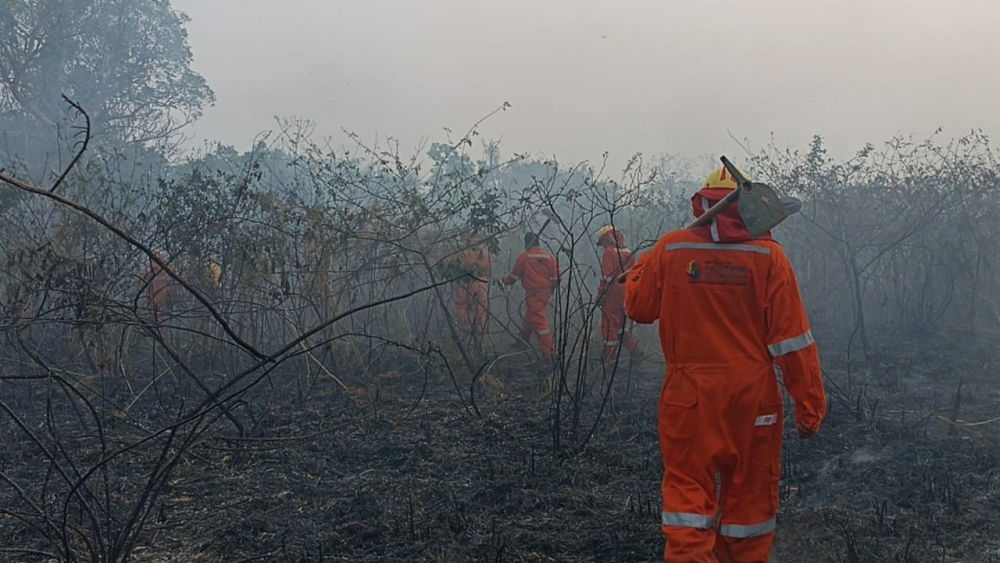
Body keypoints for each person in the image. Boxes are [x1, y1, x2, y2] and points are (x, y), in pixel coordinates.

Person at [624, 165, 827, 562]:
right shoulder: (771, 257)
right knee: (749, 509)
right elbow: (792, 343)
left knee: (688, 501)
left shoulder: (672, 248)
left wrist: (641, 269)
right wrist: (809, 407)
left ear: (705, 201)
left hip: (689, 398)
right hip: (754, 401)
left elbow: (639, 308)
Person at [503, 232, 561, 362]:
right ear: (538, 243)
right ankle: (522, 341)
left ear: (526, 243)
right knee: (530, 317)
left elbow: (513, 277)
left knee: (540, 324)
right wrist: (551, 288)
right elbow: (557, 277)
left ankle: (549, 352)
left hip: (533, 294)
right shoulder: (550, 257)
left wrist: (505, 280)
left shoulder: (524, 257)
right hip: (547, 294)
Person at [595, 226, 641, 365]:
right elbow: (635, 275)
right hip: (627, 293)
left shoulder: (609, 253)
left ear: (606, 239)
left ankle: (609, 361)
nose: (602, 246)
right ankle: (636, 351)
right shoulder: (629, 253)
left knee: (609, 327)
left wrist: (600, 296)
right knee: (622, 327)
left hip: (613, 294)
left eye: (602, 242)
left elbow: (607, 278)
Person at [453, 235, 492, 346]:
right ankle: (479, 343)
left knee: (463, 309)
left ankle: (468, 341)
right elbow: (490, 270)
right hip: (481, 285)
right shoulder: (485, 254)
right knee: (480, 314)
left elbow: (456, 270)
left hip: (468, 285)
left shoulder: (463, 254)